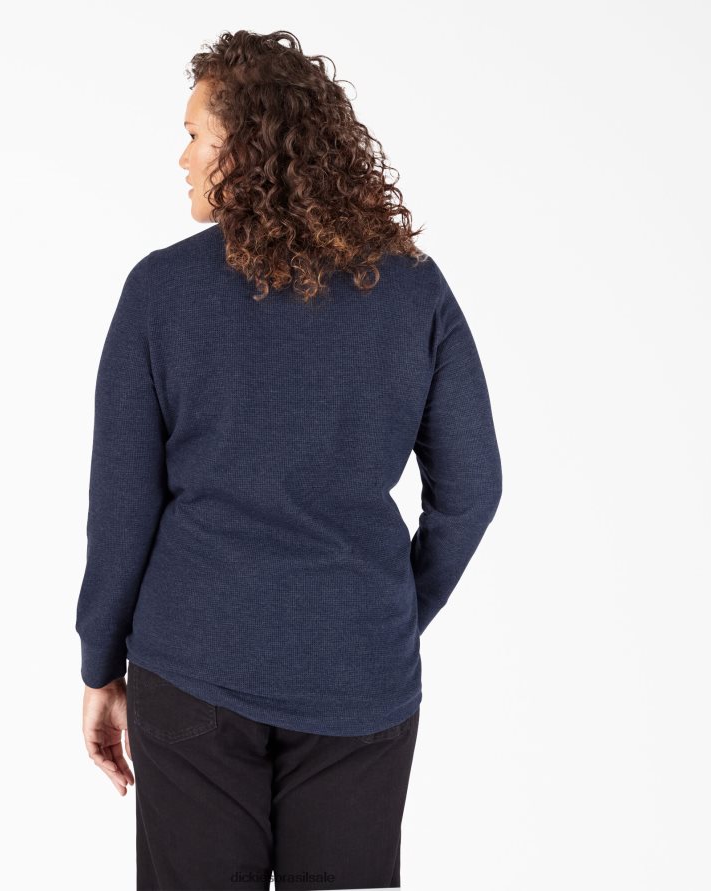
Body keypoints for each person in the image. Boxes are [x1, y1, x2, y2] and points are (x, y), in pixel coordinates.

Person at [75, 29, 502, 891]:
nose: (182, 158)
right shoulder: (414, 289)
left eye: (196, 135)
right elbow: (472, 490)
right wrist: (386, 613)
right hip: (359, 672)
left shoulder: (160, 291)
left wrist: (99, 663)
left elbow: (121, 506)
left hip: (192, 663)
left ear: (248, 149)